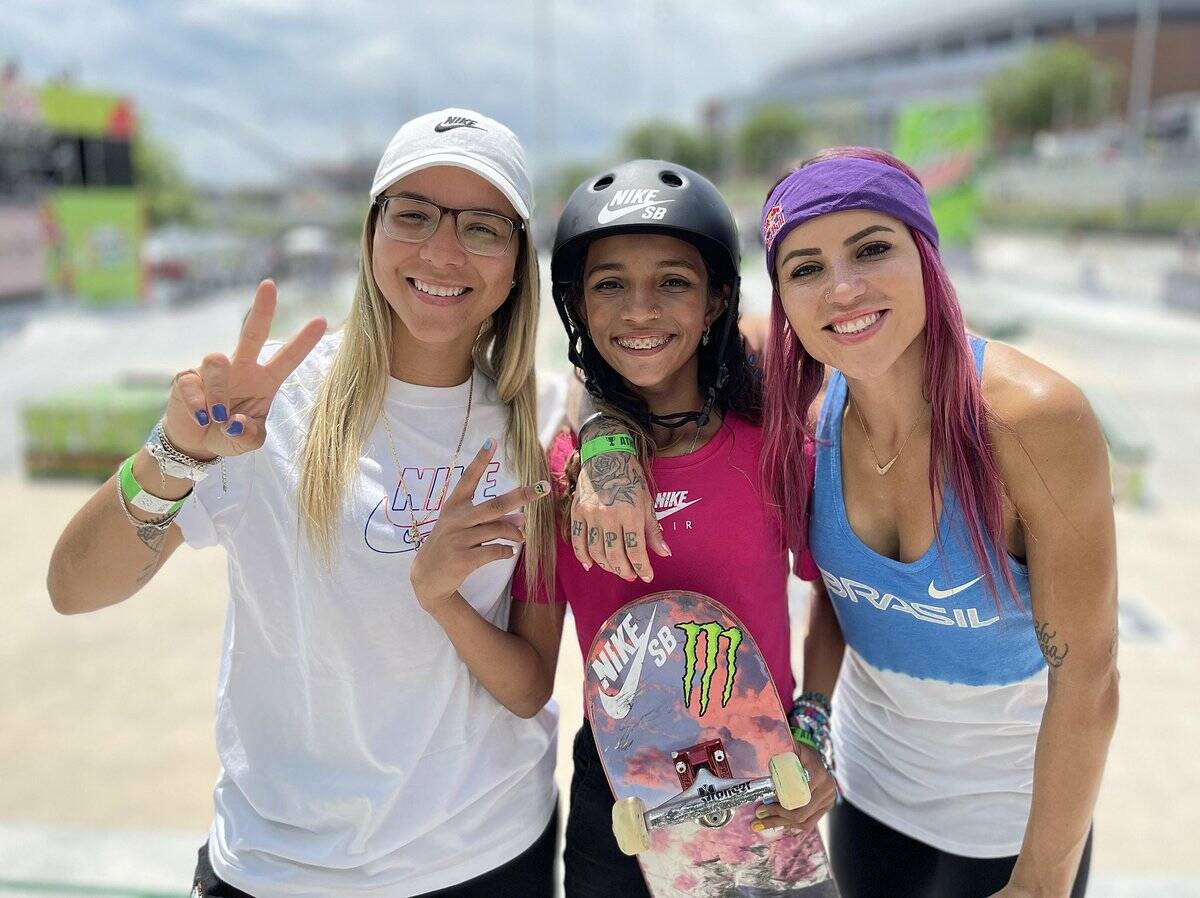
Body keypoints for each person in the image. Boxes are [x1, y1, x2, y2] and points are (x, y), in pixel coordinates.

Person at [47, 108, 561, 898]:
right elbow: (74, 589)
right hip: (282, 868)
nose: (442, 250)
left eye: (483, 226)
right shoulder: (267, 407)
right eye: (414, 214)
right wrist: (173, 453)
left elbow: (530, 682)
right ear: (371, 232)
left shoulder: (542, 417)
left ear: (519, 261)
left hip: (489, 855)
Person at [757, 147, 1119, 898]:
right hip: (872, 803)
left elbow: (1088, 676)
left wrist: (1042, 881)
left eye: (872, 248)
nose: (844, 288)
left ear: (925, 253)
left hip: (1013, 827)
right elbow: (839, 592)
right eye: (806, 268)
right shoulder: (811, 419)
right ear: (785, 300)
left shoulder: (1028, 420)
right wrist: (811, 725)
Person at [513, 159, 839, 896]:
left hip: (765, 777)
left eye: (673, 282)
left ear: (716, 299)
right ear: (576, 303)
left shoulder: (772, 446)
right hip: (621, 796)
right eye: (609, 285)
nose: (639, 311)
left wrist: (813, 728)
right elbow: (530, 669)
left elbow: (834, 599)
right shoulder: (557, 472)